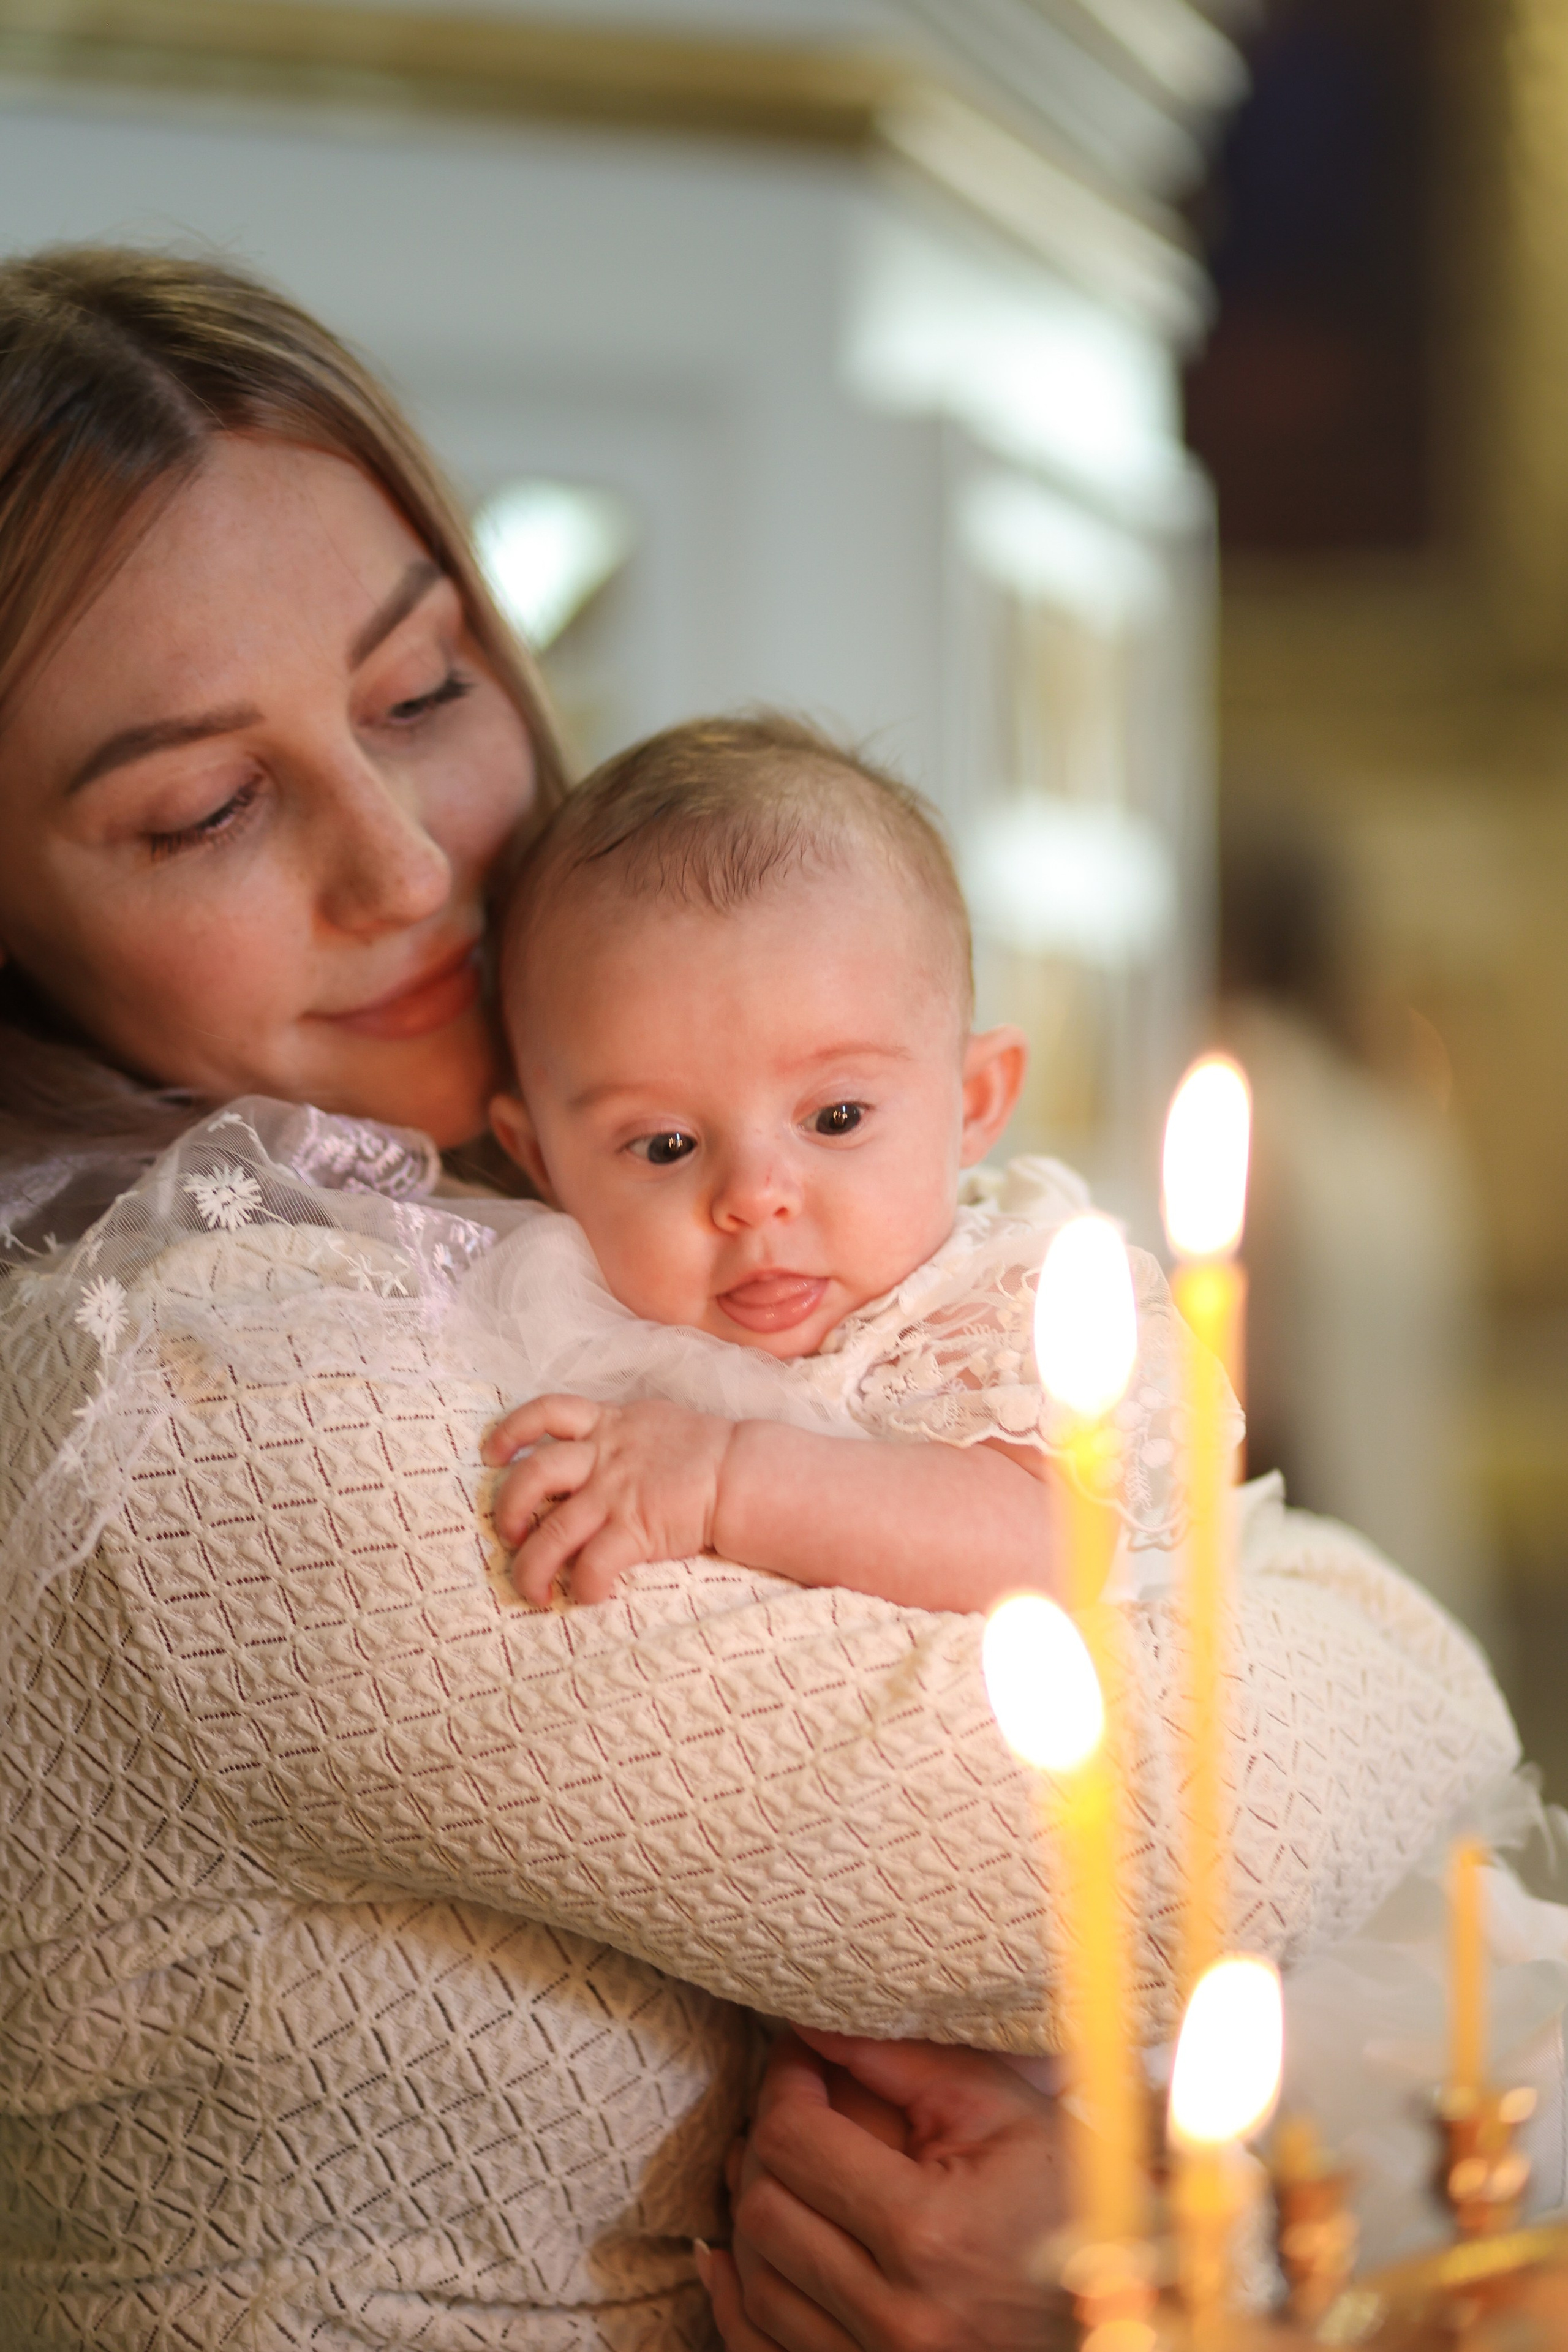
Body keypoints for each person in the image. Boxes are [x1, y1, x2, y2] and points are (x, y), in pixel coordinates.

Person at [0, 244, 1527, 2350]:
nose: (408, 865)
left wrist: (1134, 2222)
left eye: (423, 691)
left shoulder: (503, 1230)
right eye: (205, 808)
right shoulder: (185, 1406)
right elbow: (1173, 1848)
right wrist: (1391, 1632)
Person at [472, 714, 1216, 1615]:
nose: (754, 1198)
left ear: (976, 1102)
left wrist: (724, 1479)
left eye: (836, 1118)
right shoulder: (547, 1310)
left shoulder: (992, 1312)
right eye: (667, 1146)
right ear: (539, 1158)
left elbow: (1051, 1551)